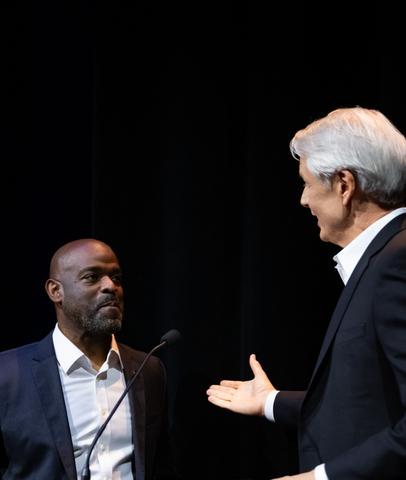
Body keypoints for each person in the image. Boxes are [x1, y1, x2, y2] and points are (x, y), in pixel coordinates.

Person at [207, 107, 406, 479]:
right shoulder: (384, 258)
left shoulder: (397, 263)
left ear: (344, 185)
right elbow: (372, 402)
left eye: (307, 183)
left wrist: (320, 476)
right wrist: (270, 402)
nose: (303, 200)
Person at [0, 238, 180, 479]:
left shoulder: (149, 369)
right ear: (55, 291)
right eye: (92, 277)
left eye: (116, 278)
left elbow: (160, 462)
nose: (110, 286)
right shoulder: (7, 374)